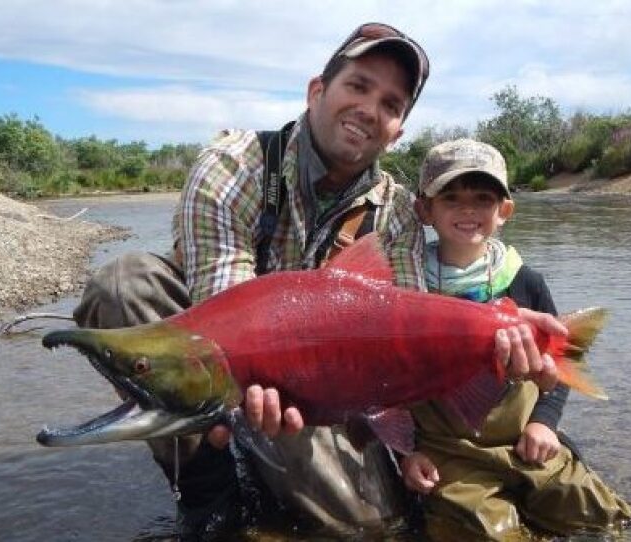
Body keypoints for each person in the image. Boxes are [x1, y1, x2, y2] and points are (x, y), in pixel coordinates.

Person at [74, 23, 564, 540]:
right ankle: (206, 488)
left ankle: (268, 466)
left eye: (391, 104)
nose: (370, 109)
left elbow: (402, 352)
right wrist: (242, 401)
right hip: (236, 360)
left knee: (371, 528)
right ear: (316, 91)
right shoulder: (233, 166)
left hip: (323, 386)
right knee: (126, 281)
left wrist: (502, 334)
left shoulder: (395, 214)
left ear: (397, 131)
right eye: (357, 86)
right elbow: (222, 315)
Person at [401, 139, 631, 539]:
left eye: (483, 198)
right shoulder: (409, 286)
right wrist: (406, 452)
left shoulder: (525, 282)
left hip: (525, 442)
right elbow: (389, 384)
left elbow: (560, 368)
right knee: (485, 531)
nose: (468, 210)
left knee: (600, 514)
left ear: (504, 211)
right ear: (425, 210)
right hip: (448, 452)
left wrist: (543, 423)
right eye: (451, 198)